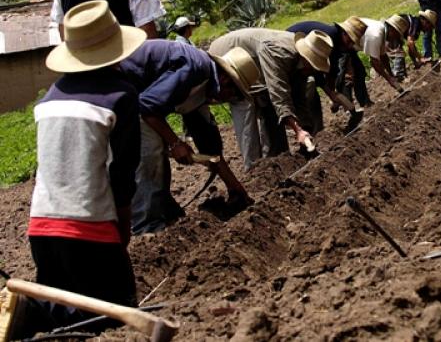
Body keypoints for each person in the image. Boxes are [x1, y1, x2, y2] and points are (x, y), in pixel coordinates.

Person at [11, 0, 146, 337]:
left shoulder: (49, 99)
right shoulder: (120, 96)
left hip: (41, 228)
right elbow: (124, 170)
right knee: (118, 318)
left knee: (63, 320)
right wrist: (124, 221)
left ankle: (32, 317)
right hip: (90, 228)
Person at [119, 40, 256, 234]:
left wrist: (234, 187)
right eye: (235, 95)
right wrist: (175, 143)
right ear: (226, 81)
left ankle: (164, 209)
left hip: (137, 98)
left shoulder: (203, 90)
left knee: (157, 148)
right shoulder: (195, 69)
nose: (231, 100)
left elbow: (211, 150)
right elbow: (147, 108)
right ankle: (146, 225)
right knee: (151, 151)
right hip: (118, 89)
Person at [208, 29, 334, 169]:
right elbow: (279, 95)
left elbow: (298, 97)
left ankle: (275, 161)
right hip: (229, 60)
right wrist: (297, 130)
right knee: (247, 111)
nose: (315, 71)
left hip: (256, 65)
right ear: (306, 58)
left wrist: (305, 128)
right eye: (314, 65)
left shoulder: (301, 63)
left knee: (269, 106)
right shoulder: (279, 52)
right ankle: (254, 170)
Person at [359, 15, 409, 92]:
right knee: (354, 75)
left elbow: (383, 57)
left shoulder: (383, 31)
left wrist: (391, 74)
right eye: (396, 36)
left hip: (351, 42)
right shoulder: (375, 35)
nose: (394, 39)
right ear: (392, 29)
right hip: (342, 44)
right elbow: (374, 61)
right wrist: (389, 79)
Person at [389, 10, 437, 80]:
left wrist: (415, 62)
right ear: (425, 21)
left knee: (399, 51)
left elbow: (410, 47)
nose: (429, 29)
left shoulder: (416, 26)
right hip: (391, 30)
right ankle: (397, 77)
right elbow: (410, 43)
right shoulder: (416, 23)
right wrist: (420, 58)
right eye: (430, 26)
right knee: (399, 53)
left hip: (395, 33)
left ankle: (399, 76)